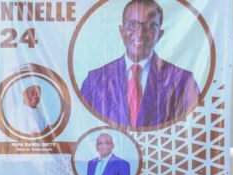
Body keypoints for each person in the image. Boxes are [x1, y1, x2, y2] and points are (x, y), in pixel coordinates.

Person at [80, 0, 200, 128]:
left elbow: (195, 130)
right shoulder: (95, 80)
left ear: (159, 34)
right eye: (132, 24)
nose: (140, 33)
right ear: (122, 31)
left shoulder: (183, 81)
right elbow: (81, 126)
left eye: (151, 26)